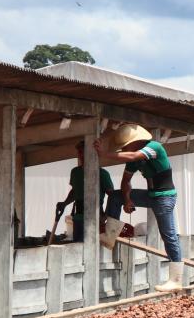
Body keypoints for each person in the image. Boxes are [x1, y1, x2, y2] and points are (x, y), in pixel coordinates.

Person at [94, 123, 184, 292]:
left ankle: (176, 279)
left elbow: (133, 155)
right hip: (151, 196)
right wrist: (127, 200)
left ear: (136, 141)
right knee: (115, 196)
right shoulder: (134, 159)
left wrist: (104, 154)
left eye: (125, 146)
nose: (124, 149)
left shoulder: (153, 147)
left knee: (169, 235)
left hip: (165, 197)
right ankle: (110, 234)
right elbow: (125, 181)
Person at [55, 142, 115, 242]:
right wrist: (64, 203)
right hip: (78, 218)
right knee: (78, 246)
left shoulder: (102, 174)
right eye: (79, 152)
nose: (81, 155)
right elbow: (75, 191)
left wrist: (105, 216)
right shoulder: (75, 172)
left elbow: (113, 197)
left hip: (96, 218)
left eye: (84, 152)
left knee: (94, 249)